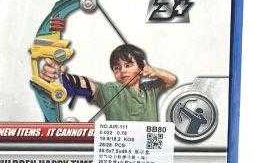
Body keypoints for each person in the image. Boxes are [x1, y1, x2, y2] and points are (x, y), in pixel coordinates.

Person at [40, 44, 177, 122]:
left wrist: (155, 71)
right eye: (117, 68)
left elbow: (171, 80)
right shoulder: (110, 90)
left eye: (128, 65)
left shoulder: (150, 89)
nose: (122, 71)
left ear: (142, 67)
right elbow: (85, 85)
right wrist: (57, 77)